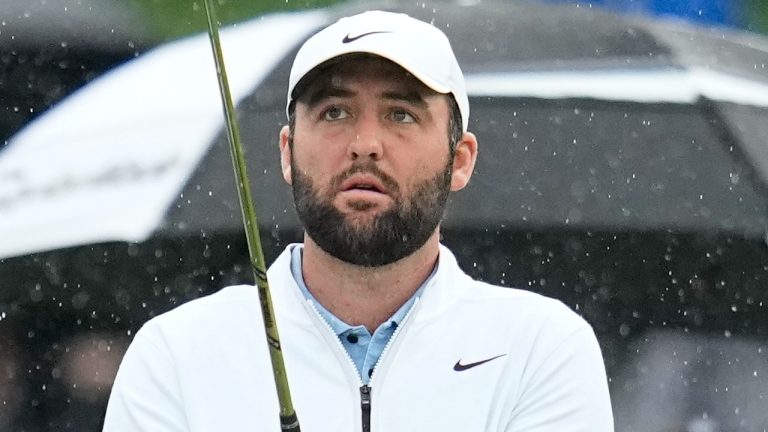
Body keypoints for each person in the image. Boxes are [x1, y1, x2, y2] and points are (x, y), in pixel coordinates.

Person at [103, 10, 614, 431]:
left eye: (400, 114)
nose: (365, 144)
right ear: (287, 152)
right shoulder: (176, 354)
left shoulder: (541, 349)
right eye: (334, 112)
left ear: (459, 160)